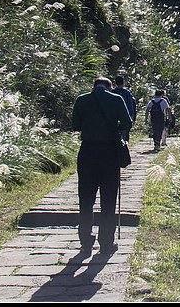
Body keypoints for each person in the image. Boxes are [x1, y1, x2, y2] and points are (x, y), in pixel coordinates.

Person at [71, 77, 132, 254]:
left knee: (86, 198)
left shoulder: (82, 100)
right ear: (109, 87)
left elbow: (76, 126)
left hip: (87, 151)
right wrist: (114, 128)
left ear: (94, 86)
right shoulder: (116, 99)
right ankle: (106, 242)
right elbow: (127, 123)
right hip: (109, 153)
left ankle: (86, 241)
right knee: (108, 199)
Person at [110, 75, 136, 141]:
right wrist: (132, 116)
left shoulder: (112, 92)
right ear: (123, 82)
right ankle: (124, 146)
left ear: (115, 82)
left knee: (115, 132)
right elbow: (131, 105)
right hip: (126, 114)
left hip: (114, 115)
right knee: (125, 132)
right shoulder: (127, 92)